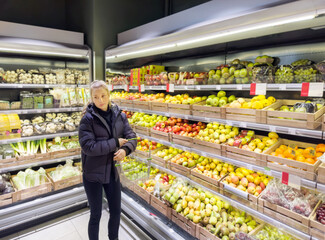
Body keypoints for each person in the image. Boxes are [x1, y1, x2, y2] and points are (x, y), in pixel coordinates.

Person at [79, 80, 137, 240]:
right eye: (96, 97)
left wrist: (125, 150)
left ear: (109, 94)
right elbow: (89, 147)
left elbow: (132, 138)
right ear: (91, 98)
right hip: (93, 173)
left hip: (112, 172)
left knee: (116, 212)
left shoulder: (120, 115)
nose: (100, 100)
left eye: (103, 95)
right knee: (96, 214)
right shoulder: (87, 120)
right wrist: (115, 143)